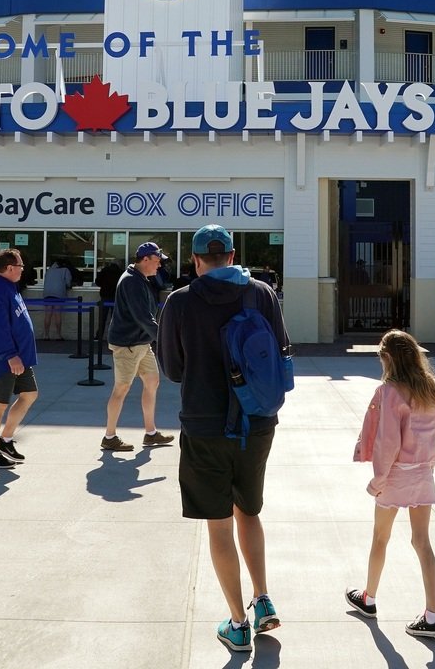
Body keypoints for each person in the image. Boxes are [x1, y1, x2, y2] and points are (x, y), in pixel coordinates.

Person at [157, 223, 289, 652]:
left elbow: (173, 370)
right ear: (232, 255)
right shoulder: (261, 293)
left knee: (219, 524)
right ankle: (262, 597)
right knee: (249, 511)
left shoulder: (179, 302)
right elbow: (282, 352)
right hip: (257, 422)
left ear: (196, 260)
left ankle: (237, 623)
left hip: (205, 423)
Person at [346, 329, 435, 638]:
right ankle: (432, 615)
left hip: (396, 474)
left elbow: (387, 443)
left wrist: (378, 481)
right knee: (422, 542)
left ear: (388, 358)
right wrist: (428, 467)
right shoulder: (430, 389)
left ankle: (369, 598)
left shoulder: (389, 392)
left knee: (380, 537)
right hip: (423, 473)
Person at [101, 242, 175, 451]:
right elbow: (143, 317)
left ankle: (151, 433)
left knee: (152, 382)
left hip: (141, 343)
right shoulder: (131, 282)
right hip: (128, 345)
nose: (159, 265)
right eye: (157, 260)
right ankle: (109, 436)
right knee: (121, 388)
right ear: (145, 259)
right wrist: (165, 339)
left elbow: (145, 317)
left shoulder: (140, 279)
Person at [0, 249, 38, 468]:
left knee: (30, 394)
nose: (23, 270)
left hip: (19, 358)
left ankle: (5, 440)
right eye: (21, 266)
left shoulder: (10, 288)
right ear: (10, 268)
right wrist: (11, 355)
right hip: (2, 359)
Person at [40, 258, 73, 339]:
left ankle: (46, 335)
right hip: (58, 294)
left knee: (48, 315)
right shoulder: (65, 270)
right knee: (57, 314)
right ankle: (58, 335)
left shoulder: (48, 271)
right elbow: (68, 283)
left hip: (47, 294)